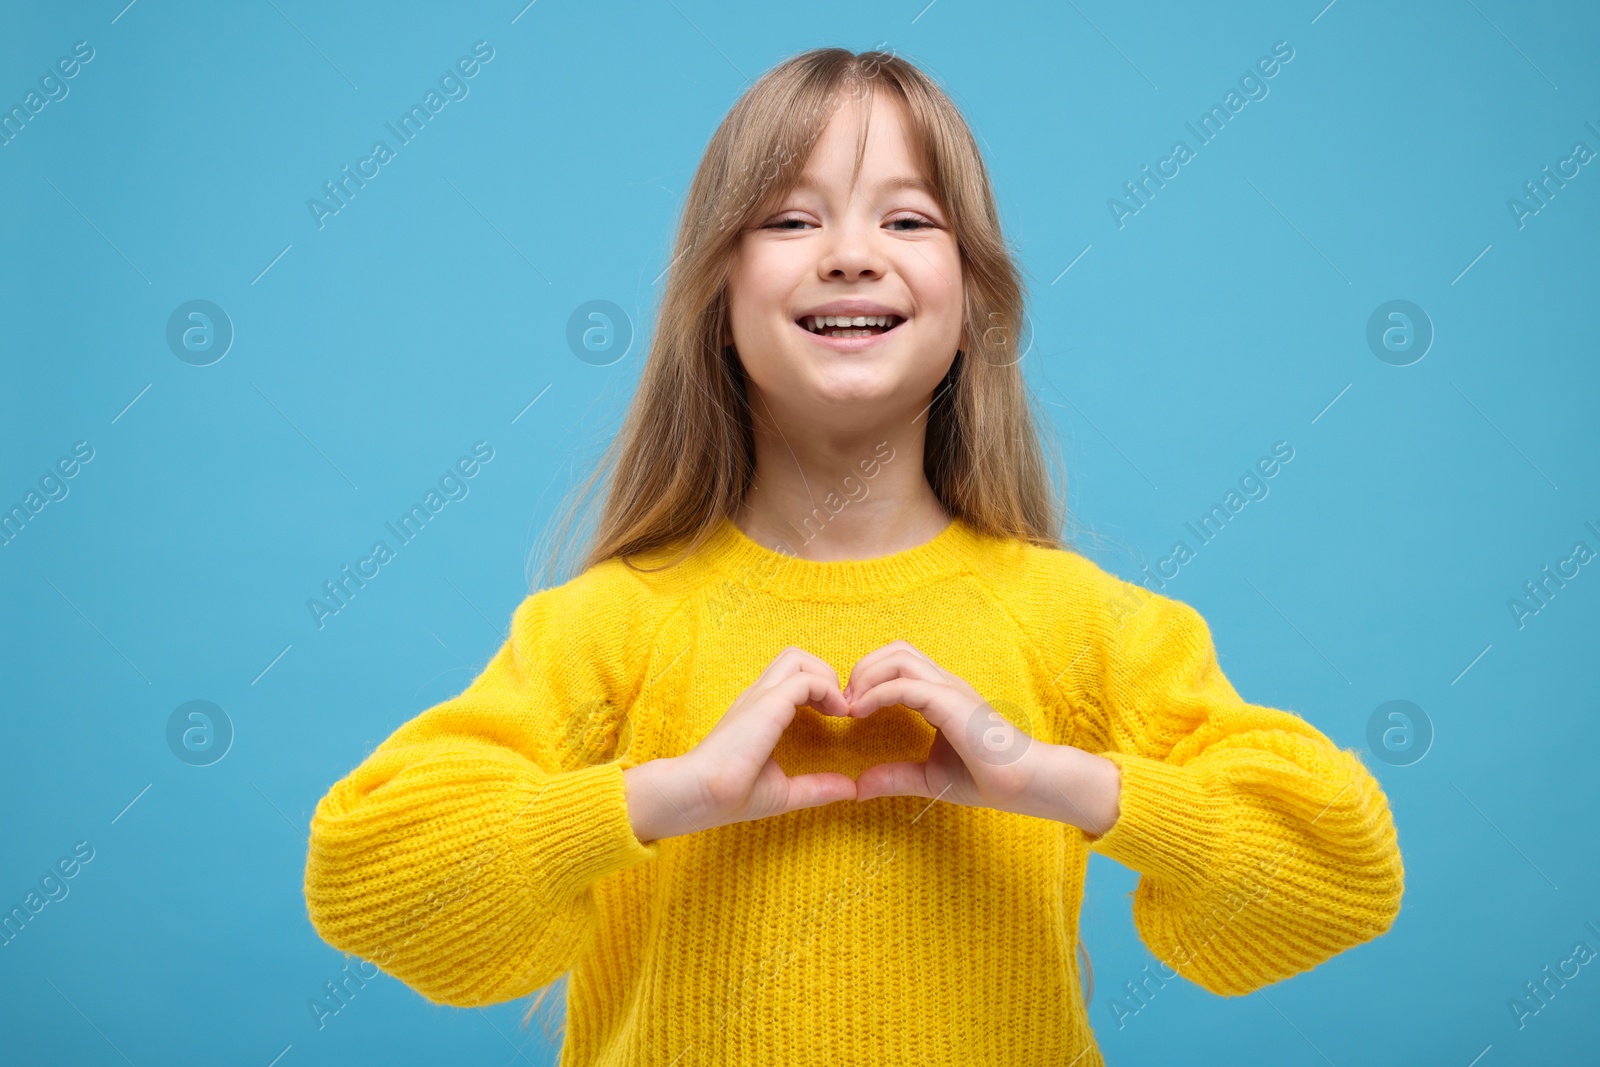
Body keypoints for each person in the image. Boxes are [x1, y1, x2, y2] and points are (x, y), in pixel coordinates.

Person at [302, 46, 1404, 1065]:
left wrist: (1047, 776)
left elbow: (1339, 872)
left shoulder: (1080, 624)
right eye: (787, 219)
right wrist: (666, 793)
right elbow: (366, 869)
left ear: (973, 300)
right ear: (715, 300)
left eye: (909, 220)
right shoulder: (607, 625)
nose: (848, 255)